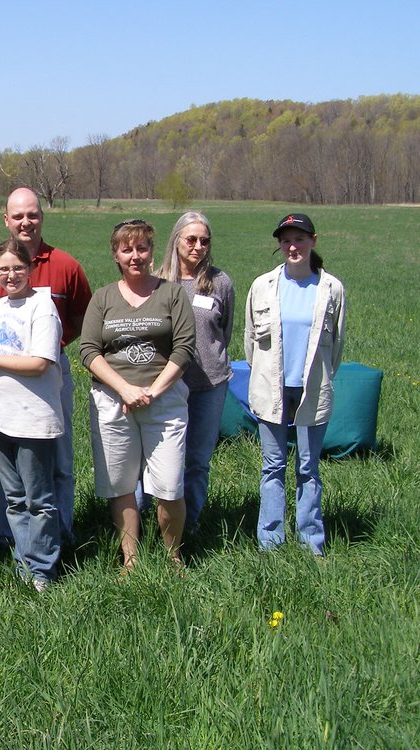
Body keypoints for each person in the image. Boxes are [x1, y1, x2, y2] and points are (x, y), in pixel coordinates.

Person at [0, 187, 92, 543]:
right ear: (6, 220)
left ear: (42, 216)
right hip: (1, 379)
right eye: (18, 216)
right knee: (2, 463)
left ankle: (60, 533)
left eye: (33, 214)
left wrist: (52, 345)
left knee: (58, 457)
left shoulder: (65, 265)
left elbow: (83, 315)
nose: (26, 222)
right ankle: (5, 536)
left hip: (50, 374)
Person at [80, 219, 196, 571]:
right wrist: (125, 390)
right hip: (114, 403)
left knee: (169, 486)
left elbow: (184, 348)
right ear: (115, 254)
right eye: (126, 249)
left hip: (165, 403)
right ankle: (130, 560)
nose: (135, 256)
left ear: (151, 252)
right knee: (122, 485)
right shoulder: (102, 298)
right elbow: (88, 350)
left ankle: (172, 556)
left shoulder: (172, 294)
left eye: (142, 248)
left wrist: (151, 392)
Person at [245, 213, 346, 556]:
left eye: (299, 239)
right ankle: (270, 542)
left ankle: (311, 541)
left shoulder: (331, 288)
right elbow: (250, 345)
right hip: (271, 388)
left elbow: (337, 347)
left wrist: (317, 377)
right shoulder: (262, 286)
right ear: (279, 245)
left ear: (313, 241)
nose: (292, 246)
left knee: (308, 466)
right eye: (286, 240)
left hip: (311, 389)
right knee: (273, 466)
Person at [0, 239, 63, 591]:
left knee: (39, 500)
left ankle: (42, 570)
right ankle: (23, 563)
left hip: (34, 419)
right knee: (14, 499)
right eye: (3, 269)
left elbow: (39, 363)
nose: (11, 275)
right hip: (0, 418)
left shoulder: (42, 306)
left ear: (31, 268)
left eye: (18, 268)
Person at [155, 212, 234, 532]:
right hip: (164, 386)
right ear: (176, 241)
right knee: (158, 460)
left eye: (205, 241)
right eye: (191, 239)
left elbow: (224, 332)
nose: (198, 246)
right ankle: (153, 524)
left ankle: (189, 527)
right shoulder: (157, 281)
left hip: (209, 385)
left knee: (198, 461)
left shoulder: (220, 282)